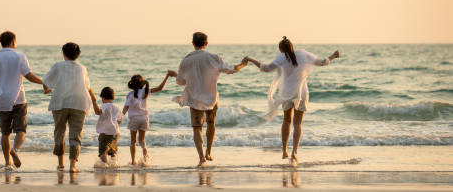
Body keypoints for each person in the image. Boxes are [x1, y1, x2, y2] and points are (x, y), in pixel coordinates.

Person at [246, 36, 340, 163]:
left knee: (286, 120)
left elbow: (265, 68)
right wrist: (333, 56)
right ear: (292, 46)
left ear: (281, 50)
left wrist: (250, 59)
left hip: (286, 93)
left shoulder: (281, 58)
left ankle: (285, 150)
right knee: (298, 124)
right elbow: (322, 62)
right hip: (301, 92)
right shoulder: (304, 54)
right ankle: (294, 152)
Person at [170, 31, 249, 167]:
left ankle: (201, 158)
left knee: (197, 128)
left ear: (193, 43)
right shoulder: (214, 57)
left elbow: (181, 82)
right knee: (211, 124)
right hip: (212, 98)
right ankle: (209, 151)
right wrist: (243, 64)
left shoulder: (186, 60)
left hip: (194, 99)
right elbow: (231, 70)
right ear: (206, 43)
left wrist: (179, 75)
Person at [0, 31, 43, 170]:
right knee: (21, 130)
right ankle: (15, 149)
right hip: (18, 98)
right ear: (13, 42)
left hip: (1, 99)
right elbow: (28, 75)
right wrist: (43, 82)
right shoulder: (19, 55)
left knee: (5, 133)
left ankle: (7, 163)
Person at [42, 42, 92, 173]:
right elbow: (87, 87)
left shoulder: (58, 66)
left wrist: (46, 89)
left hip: (60, 103)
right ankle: (72, 166)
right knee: (76, 134)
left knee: (59, 132)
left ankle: (60, 164)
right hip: (79, 103)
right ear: (78, 54)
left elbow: (46, 80)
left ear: (63, 53)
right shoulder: (82, 68)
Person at [122, 71, 175, 165]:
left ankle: (133, 161)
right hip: (144, 119)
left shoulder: (130, 95)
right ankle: (145, 159)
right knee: (142, 140)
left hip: (134, 119)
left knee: (133, 141)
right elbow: (160, 88)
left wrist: (120, 117)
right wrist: (166, 76)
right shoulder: (146, 91)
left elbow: (126, 108)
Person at [89, 86, 123, 165]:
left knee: (102, 152)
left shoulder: (104, 105)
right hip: (116, 133)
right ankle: (114, 165)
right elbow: (120, 120)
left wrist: (94, 102)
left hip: (105, 133)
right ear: (113, 97)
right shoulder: (117, 107)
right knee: (112, 151)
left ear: (103, 97)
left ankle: (106, 165)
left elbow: (98, 112)